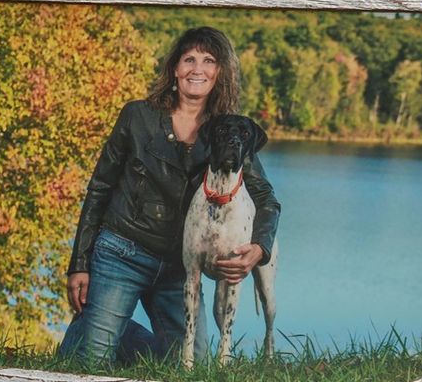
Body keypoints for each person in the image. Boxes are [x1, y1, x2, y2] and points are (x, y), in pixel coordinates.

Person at [55, 26, 280, 364]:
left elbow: (266, 199)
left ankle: (110, 328)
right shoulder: (137, 116)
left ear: (220, 73)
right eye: (189, 59)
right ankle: (92, 326)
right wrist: (80, 264)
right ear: (175, 68)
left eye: (209, 61)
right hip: (121, 253)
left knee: (195, 367)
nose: (197, 69)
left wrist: (259, 249)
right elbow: (99, 189)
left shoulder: (227, 131)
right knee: (91, 362)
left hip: (178, 268)